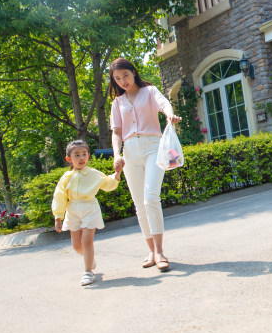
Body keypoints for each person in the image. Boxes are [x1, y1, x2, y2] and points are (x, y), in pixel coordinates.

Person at [108, 58, 181, 272]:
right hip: (129, 151)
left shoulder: (149, 91)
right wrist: (116, 155)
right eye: (118, 78)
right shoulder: (117, 103)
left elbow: (164, 103)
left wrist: (169, 115)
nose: (123, 81)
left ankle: (159, 251)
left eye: (126, 76)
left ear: (134, 72)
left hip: (152, 147)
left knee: (151, 198)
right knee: (139, 204)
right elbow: (117, 132)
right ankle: (151, 251)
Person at [52, 139, 122, 286]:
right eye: (76, 155)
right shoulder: (65, 178)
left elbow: (108, 183)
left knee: (86, 241)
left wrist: (116, 174)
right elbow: (59, 196)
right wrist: (58, 216)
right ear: (68, 159)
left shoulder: (93, 174)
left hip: (89, 208)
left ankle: (88, 272)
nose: (81, 158)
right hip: (73, 211)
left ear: (88, 156)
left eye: (84, 154)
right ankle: (90, 259)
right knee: (77, 246)